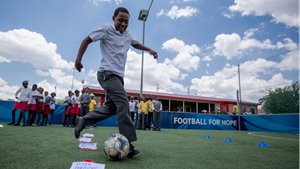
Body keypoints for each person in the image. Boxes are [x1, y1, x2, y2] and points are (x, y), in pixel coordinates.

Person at [74, 7, 158, 158]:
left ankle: (83, 120)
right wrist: (78, 60)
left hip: (118, 77)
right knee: (123, 103)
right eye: (120, 20)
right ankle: (128, 143)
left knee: (112, 108)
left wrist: (149, 50)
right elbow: (86, 40)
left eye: (126, 22)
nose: (123, 24)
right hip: (106, 74)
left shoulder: (127, 35)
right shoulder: (106, 30)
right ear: (113, 19)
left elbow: (135, 44)